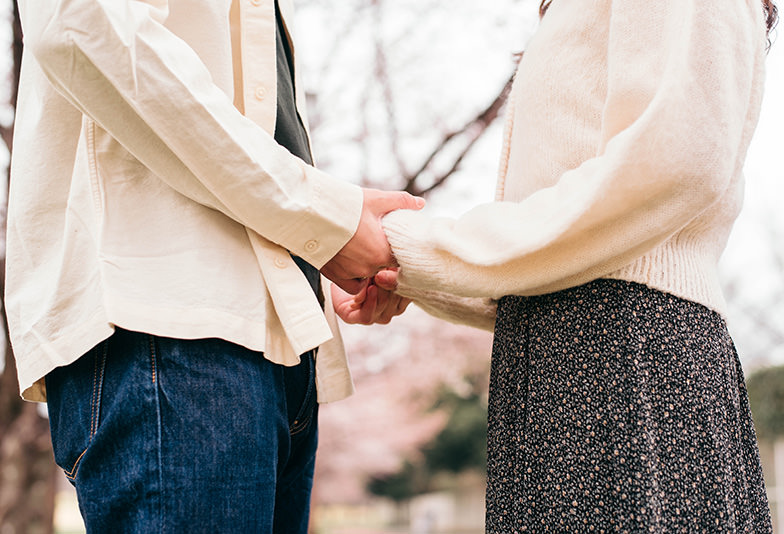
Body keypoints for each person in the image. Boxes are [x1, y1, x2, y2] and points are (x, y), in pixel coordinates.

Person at [5, 0, 419, 532]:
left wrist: (325, 251)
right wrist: (327, 222)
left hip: (272, 350)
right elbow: (81, 21)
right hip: (168, 331)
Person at [378, 0, 779, 531]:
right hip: (567, 354)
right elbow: (566, 244)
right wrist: (413, 271)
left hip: (624, 354)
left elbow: (676, 160)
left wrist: (421, 251)